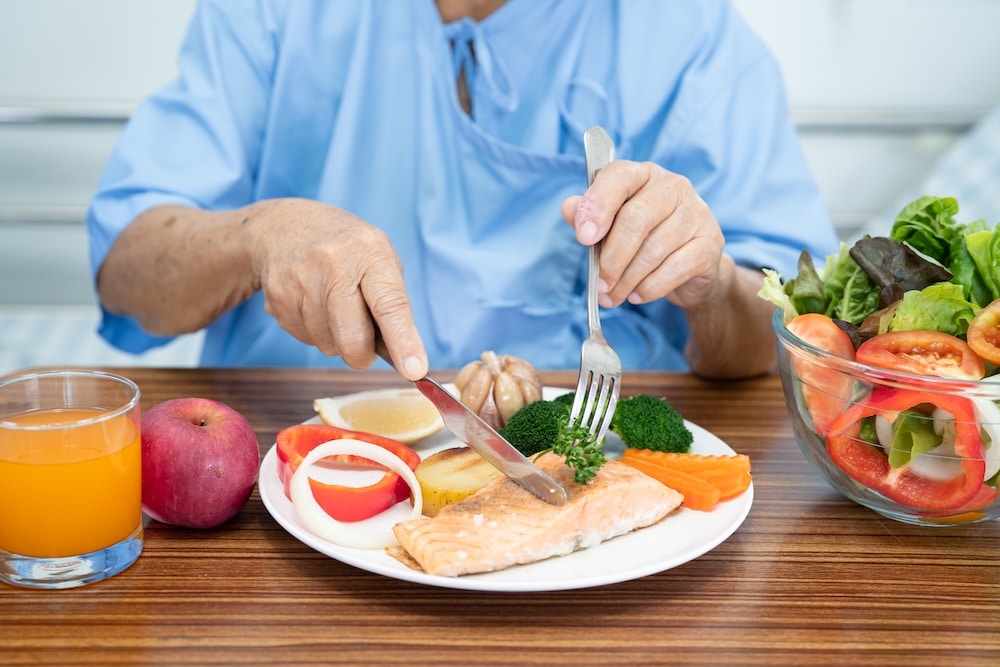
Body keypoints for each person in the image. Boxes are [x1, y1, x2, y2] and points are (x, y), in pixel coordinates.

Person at [85, 0, 838, 382]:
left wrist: (709, 287)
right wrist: (256, 236)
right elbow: (126, 276)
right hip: (285, 485)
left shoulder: (691, 37)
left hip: (602, 494)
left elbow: (795, 346)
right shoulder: (271, 14)